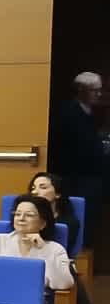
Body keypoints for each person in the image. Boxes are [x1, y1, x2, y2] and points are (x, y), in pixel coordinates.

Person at [49, 71, 104, 244]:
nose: (98, 94)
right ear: (81, 90)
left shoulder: (90, 113)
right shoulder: (67, 113)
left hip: (91, 176)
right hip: (75, 177)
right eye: (94, 90)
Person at [0, 194, 73, 289]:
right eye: (17, 214)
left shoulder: (55, 249)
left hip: (35, 301)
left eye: (29, 215)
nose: (21, 218)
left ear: (43, 224)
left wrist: (44, 250)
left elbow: (64, 284)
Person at [27, 171, 81, 252]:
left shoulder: (69, 222)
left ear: (57, 194)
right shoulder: (24, 218)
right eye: (33, 188)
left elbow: (60, 253)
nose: (34, 192)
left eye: (43, 187)